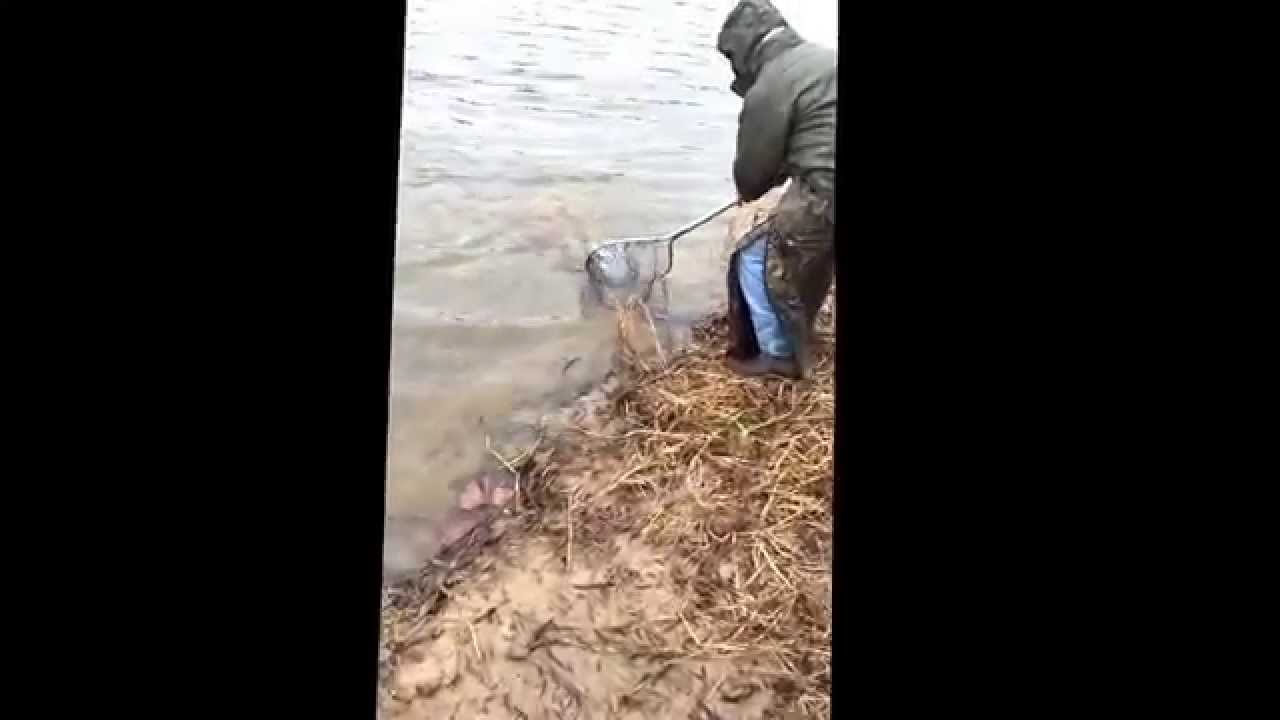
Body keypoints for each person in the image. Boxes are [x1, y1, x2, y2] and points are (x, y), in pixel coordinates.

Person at [717, 0, 836, 380]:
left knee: (756, 254)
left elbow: (752, 175)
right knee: (814, 249)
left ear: (744, 49)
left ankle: (778, 354)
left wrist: (749, 191)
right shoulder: (821, 60)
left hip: (826, 189)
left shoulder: (770, 84)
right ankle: (803, 327)